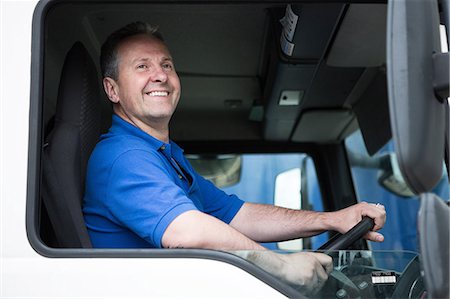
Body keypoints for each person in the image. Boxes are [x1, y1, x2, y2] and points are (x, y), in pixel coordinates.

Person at [82, 21, 386, 294]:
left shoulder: (164, 157)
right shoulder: (123, 156)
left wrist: (331, 219)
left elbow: (239, 216)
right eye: (142, 67)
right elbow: (189, 232)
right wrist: (283, 267)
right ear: (112, 90)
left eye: (167, 65)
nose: (160, 75)